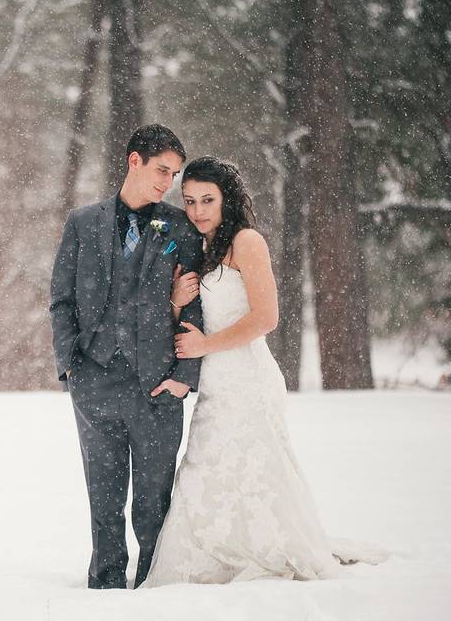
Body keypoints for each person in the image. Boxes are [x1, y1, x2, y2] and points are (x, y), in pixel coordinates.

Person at [143, 156, 383, 586]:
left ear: (227, 199)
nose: (197, 210)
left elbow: (266, 318)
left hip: (246, 376)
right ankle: (213, 556)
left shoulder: (246, 241)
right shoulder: (200, 244)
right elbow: (196, 311)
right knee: (205, 466)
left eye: (208, 200)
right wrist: (177, 303)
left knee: (255, 465)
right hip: (214, 380)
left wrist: (205, 345)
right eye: (190, 200)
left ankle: (264, 548)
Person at [49, 124, 204, 589]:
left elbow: (196, 305)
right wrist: (71, 367)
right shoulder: (83, 222)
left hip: (158, 384)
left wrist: (184, 376)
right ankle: (105, 580)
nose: (167, 183)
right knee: (104, 493)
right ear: (134, 160)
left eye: (174, 175)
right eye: (162, 170)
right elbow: (61, 300)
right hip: (94, 380)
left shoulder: (178, 226)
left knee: (154, 499)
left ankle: (153, 584)